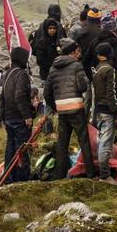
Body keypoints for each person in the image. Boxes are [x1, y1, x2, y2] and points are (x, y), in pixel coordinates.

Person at [44, 38, 95, 179]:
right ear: (72, 52)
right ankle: (91, 174)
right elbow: (82, 87)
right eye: (76, 51)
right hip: (76, 108)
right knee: (84, 141)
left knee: (62, 143)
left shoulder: (53, 68)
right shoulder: (76, 66)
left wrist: (56, 107)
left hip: (62, 110)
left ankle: (60, 176)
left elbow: (46, 93)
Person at [0, 46, 36, 184]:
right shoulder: (21, 74)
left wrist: (3, 117)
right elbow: (20, 96)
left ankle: (9, 177)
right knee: (23, 147)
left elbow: (1, 98)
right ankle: (23, 178)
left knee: (10, 148)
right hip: (19, 118)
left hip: (8, 118)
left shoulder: (6, 74)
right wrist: (27, 116)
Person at [91, 43, 117, 183]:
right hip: (107, 111)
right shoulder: (109, 70)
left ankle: (105, 169)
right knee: (105, 143)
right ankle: (105, 175)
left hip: (99, 110)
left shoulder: (97, 69)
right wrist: (116, 114)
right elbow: (111, 94)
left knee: (103, 141)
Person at [31, 10, 62, 81]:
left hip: (57, 72)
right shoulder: (42, 42)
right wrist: (51, 65)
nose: (52, 30)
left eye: (54, 28)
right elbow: (40, 60)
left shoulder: (57, 40)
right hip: (46, 73)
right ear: (46, 29)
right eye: (50, 28)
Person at [78, 8, 103, 77]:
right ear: (99, 20)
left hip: (88, 67)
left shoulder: (81, 33)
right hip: (101, 65)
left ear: (88, 19)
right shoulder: (102, 33)